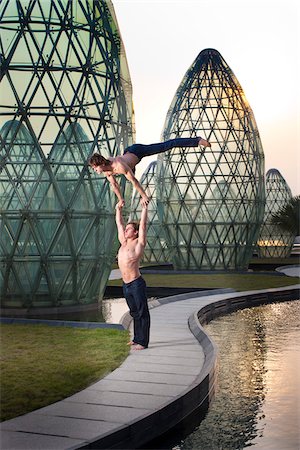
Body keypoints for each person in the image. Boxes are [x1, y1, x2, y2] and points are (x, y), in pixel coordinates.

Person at [89, 136, 211, 206]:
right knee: (129, 171)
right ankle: (131, 164)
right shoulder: (107, 172)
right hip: (128, 153)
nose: (95, 170)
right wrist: (121, 199)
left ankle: (197, 140)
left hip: (138, 151)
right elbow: (114, 185)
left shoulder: (119, 166)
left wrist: (144, 196)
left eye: (95, 167)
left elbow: (134, 181)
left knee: (165, 146)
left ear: (101, 163)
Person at [115, 200, 150, 350]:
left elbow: (143, 226)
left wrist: (144, 209)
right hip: (126, 284)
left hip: (136, 283)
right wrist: (118, 209)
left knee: (142, 313)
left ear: (135, 233)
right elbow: (119, 223)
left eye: (129, 229)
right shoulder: (123, 242)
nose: (125, 231)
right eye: (126, 229)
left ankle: (143, 342)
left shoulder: (138, 244)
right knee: (134, 312)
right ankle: (136, 338)